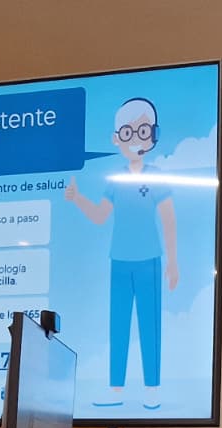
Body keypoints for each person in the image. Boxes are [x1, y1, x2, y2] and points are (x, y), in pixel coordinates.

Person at [64, 97, 180, 411]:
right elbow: (100, 215)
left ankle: (152, 388)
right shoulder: (115, 181)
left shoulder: (156, 177)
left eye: (143, 131)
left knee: (149, 325)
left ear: (154, 135)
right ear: (117, 138)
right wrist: (77, 199)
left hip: (150, 261)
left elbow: (168, 218)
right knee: (119, 326)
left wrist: (173, 261)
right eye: (128, 132)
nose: (136, 139)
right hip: (119, 261)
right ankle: (116, 389)